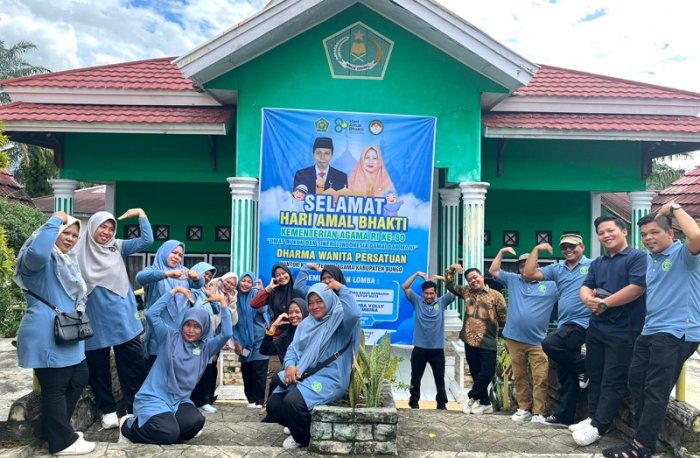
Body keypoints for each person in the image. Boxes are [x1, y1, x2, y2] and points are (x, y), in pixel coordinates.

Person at [603, 204, 700, 458]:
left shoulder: (684, 255)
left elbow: (696, 235)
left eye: (655, 232)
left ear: (671, 234)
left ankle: (642, 447)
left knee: (656, 390)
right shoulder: (650, 259)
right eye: (644, 234)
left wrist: (674, 208)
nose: (648, 238)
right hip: (650, 330)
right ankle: (642, 439)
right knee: (636, 382)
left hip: (676, 331)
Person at [12, 212, 95, 456]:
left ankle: (55, 434)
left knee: (79, 376)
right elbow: (38, 252)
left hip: (69, 332)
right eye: (65, 233)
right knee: (55, 386)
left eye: (74, 235)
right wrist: (55, 220)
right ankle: (61, 442)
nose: (70, 238)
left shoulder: (67, 261)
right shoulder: (38, 261)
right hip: (48, 333)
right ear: (52, 234)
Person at [119, 285, 232, 444]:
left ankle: (167, 430)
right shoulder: (168, 336)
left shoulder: (206, 348)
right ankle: (128, 427)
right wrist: (174, 291)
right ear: (182, 323)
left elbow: (227, 333)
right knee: (168, 433)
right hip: (154, 398)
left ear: (204, 328)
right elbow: (151, 314)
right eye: (188, 324)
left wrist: (223, 303)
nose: (191, 330)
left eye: (197, 326)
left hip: (179, 400)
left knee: (195, 422)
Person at [75, 209, 153, 430]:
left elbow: (147, 240)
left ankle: (135, 408)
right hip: (94, 317)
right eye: (103, 227)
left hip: (123, 317)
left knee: (133, 364)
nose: (107, 232)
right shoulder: (78, 251)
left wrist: (141, 214)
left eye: (111, 228)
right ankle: (108, 410)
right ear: (93, 227)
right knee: (98, 367)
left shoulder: (117, 246)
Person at [572, 216, 646, 446]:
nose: (606, 235)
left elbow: (637, 288)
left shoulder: (637, 257)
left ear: (624, 231)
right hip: (597, 327)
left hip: (624, 330)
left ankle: (600, 426)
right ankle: (593, 417)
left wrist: (604, 303)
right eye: (601, 232)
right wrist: (588, 299)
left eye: (610, 230)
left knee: (613, 379)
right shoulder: (598, 262)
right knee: (595, 374)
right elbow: (586, 285)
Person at [265, 281, 361, 449]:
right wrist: (290, 366)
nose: (315, 306)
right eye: (311, 302)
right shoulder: (306, 324)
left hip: (331, 377)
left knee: (293, 403)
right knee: (273, 405)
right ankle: (297, 425)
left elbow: (354, 314)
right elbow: (293, 349)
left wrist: (341, 288)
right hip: (305, 373)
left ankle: (302, 439)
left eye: (319, 301)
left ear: (329, 300)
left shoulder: (340, 323)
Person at [522, 233, 592, 428]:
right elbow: (528, 274)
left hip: (584, 322)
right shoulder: (557, 269)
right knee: (566, 374)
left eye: (572, 246)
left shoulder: (593, 265)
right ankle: (565, 417)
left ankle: (583, 368)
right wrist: (537, 249)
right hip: (565, 323)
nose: (568, 250)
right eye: (564, 247)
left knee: (549, 343)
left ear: (582, 247)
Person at [489, 249, 558, 424]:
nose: (524, 269)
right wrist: (502, 252)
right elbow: (493, 271)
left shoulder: (551, 285)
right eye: (521, 266)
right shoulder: (513, 280)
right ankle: (524, 409)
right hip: (514, 339)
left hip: (538, 341)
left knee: (540, 377)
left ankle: (539, 412)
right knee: (520, 376)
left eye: (528, 265)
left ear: (537, 266)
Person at [445, 264, 507, 415]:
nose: (473, 281)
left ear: (482, 277)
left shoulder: (496, 296)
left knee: (487, 374)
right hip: (469, 341)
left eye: (475, 277)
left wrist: (507, 339)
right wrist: (452, 269)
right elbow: (449, 284)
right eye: (469, 280)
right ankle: (486, 404)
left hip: (488, 342)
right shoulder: (466, 291)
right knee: (476, 374)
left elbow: (504, 318)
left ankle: (471, 397)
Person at [136, 240, 203, 366]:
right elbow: (140, 278)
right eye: (174, 252)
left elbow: (199, 285)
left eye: (180, 255)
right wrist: (166, 274)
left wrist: (197, 277)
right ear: (164, 252)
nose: (177, 257)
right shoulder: (154, 270)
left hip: (180, 335)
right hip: (158, 334)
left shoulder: (183, 272)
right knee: (156, 372)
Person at [402, 271, 456, 410]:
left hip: (437, 349)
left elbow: (454, 291)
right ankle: (414, 403)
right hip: (419, 348)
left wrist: (441, 278)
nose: (429, 296)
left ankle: (441, 404)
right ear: (422, 293)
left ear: (435, 293)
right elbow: (405, 287)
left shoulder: (442, 302)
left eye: (432, 293)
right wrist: (416, 274)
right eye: (426, 293)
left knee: (439, 378)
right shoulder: (417, 301)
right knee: (415, 378)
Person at [189, 262, 227, 414]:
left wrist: (211, 296)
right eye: (205, 274)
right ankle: (192, 400)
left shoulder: (206, 291)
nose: (207, 277)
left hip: (208, 337)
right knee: (193, 369)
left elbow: (216, 309)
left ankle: (203, 401)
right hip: (193, 337)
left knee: (207, 369)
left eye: (210, 276)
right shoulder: (191, 290)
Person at [232, 271, 270, 409]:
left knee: (259, 370)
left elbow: (263, 310)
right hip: (244, 342)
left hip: (259, 340)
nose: (246, 284)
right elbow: (233, 323)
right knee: (247, 370)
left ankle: (260, 400)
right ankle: (251, 399)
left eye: (249, 282)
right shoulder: (234, 298)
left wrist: (262, 292)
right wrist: (237, 342)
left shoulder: (255, 294)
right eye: (244, 280)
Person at [260, 298, 309, 400]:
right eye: (290, 312)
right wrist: (273, 327)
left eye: (297, 312)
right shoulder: (287, 335)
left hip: (307, 376)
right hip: (288, 376)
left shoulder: (312, 333)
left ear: (304, 312)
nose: (293, 315)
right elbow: (265, 350)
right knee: (275, 382)